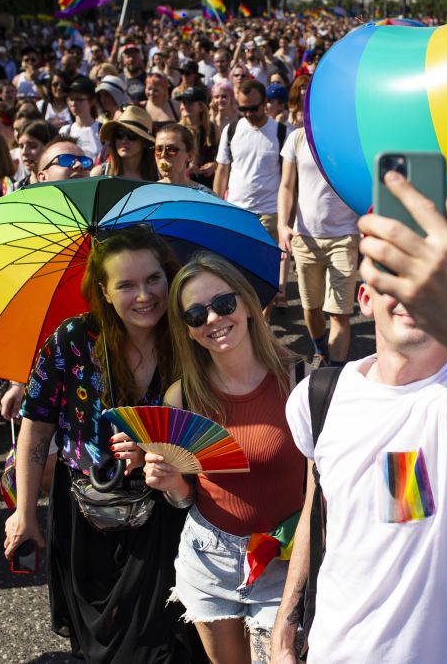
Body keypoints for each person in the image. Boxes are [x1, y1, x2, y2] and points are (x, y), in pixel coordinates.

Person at [271, 173, 447, 662]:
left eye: (429, 281)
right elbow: (317, 511)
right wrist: (287, 624)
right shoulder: (317, 397)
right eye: (395, 274)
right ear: (365, 298)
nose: (414, 292)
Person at [4, 226, 206, 662]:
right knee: (99, 643)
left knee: (159, 644)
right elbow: (36, 428)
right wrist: (24, 513)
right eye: (126, 285)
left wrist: (158, 451)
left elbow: (212, 424)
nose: (144, 295)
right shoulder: (72, 341)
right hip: (84, 511)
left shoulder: (189, 338)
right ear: (104, 291)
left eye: (153, 278)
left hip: (164, 511)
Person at [150, 253, 305, 663]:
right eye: (197, 313)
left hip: (282, 558)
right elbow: (186, 498)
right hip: (208, 557)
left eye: (223, 304)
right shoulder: (181, 397)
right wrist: (172, 484)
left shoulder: (302, 379)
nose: (214, 319)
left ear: (247, 305)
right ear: (187, 329)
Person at [276, 125, 358, 366]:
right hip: (305, 238)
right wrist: (283, 224)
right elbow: (286, 186)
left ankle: (334, 371)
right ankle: (321, 349)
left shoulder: (349, 137)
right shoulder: (298, 137)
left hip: (344, 236)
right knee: (311, 308)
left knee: (339, 313)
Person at [215, 79, 289, 309]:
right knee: (237, 271)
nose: (248, 114)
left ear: (266, 103)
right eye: (243, 108)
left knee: (265, 274)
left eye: (253, 108)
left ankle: (262, 327)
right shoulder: (232, 130)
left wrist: (288, 216)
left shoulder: (281, 131)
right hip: (237, 212)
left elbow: (288, 179)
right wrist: (217, 206)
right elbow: (222, 170)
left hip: (269, 212)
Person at [97, 105, 157, 180]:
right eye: (119, 134)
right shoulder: (100, 174)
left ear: (145, 142)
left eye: (132, 135)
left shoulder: (157, 177)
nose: (124, 140)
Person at [153, 123, 210, 192]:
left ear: (190, 155)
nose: (163, 155)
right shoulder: (148, 193)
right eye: (159, 150)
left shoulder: (205, 196)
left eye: (171, 150)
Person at [59, 76, 102, 160]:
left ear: (91, 101)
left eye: (79, 99)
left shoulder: (102, 130)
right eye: (70, 99)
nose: (73, 103)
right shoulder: (64, 131)